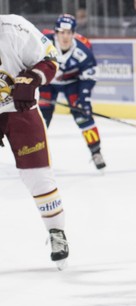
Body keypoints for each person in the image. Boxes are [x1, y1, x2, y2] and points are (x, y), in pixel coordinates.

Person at [0, 14, 69, 269]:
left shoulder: (15, 29)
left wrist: (33, 78)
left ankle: (56, 232)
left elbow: (51, 58)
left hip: (21, 111)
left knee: (38, 176)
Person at [40, 14, 105, 170]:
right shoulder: (42, 43)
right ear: (56, 32)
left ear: (74, 33)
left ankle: (96, 152)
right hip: (47, 83)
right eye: (62, 32)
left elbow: (89, 77)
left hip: (72, 84)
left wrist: (84, 98)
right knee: (41, 119)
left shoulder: (84, 51)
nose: (65, 37)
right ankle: (34, 154)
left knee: (84, 115)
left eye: (69, 33)